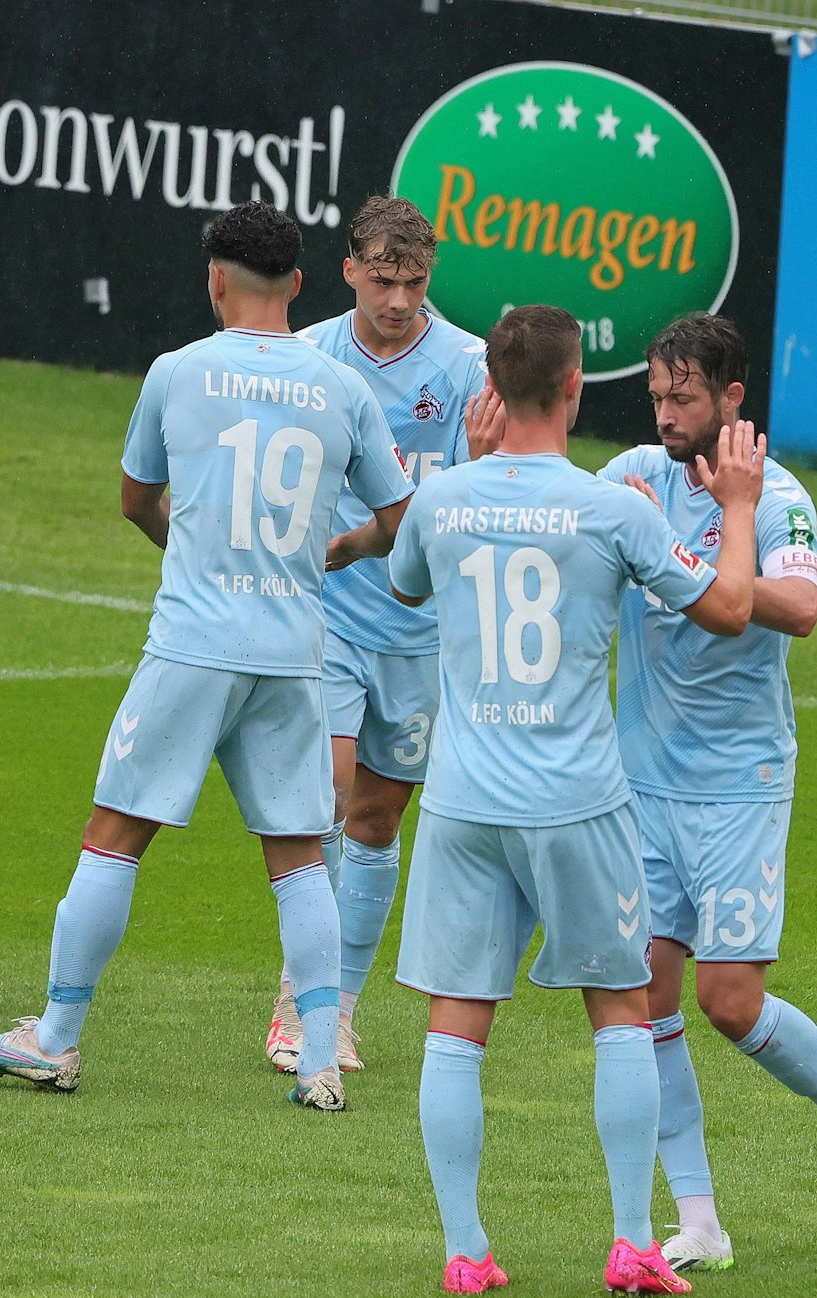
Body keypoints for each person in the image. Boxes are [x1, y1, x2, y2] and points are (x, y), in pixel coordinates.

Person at [0, 201, 413, 1112]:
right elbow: (402, 522)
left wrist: (198, 556)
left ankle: (55, 1036)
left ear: (214, 279)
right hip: (294, 653)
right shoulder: (343, 389)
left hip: (194, 644)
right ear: (297, 284)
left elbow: (136, 500)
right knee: (298, 856)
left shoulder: (177, 371)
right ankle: (320, 1057)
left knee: (115, 832)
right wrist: (342, 550)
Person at [388, 304, 759, 1296]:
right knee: (622, 1013)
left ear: (491, 394)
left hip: (464, 802)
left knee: (454, 1026)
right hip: (577, 801)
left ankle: (465, 1249)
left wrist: (468, 465)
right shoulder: (613, 508)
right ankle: (632, 1239)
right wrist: (735, 507)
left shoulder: (444, 499)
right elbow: (727, 610)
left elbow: (408, 588)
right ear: (569, 386)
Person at [599, 313, 817, 1266]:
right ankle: (699, 1221)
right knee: (646, 998)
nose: (665, 413)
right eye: (655, 395)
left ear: (732, 399)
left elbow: (802, 606)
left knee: (731, 1001)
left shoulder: (780, 500)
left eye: (682, 396)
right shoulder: (635, 478)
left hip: (740, 784)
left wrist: (688, 565)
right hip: (641, 782)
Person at [265, 194, 501, 1075]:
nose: (398, 300)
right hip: (324, 611)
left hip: (422, 627)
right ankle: (302, 1000)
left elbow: (484, 497)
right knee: (323, 794)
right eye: (383, 279)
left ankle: (344, 1007)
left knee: (374, 817)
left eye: (414, 282)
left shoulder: (472, 367)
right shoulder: (311, 356)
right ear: (349, 270)